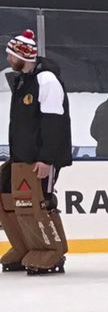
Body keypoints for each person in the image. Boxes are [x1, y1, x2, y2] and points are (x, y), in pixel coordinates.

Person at [1, 28, 71, 275]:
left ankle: (51, 251)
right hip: (22, 158)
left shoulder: (46, 80)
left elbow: (54, 122)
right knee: (8, 199)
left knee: (40, 203)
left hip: (42, 159)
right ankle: (25, 247)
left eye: (11, 55)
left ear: (24, 56)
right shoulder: (23, 80)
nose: (8, 59)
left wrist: (46, 158)